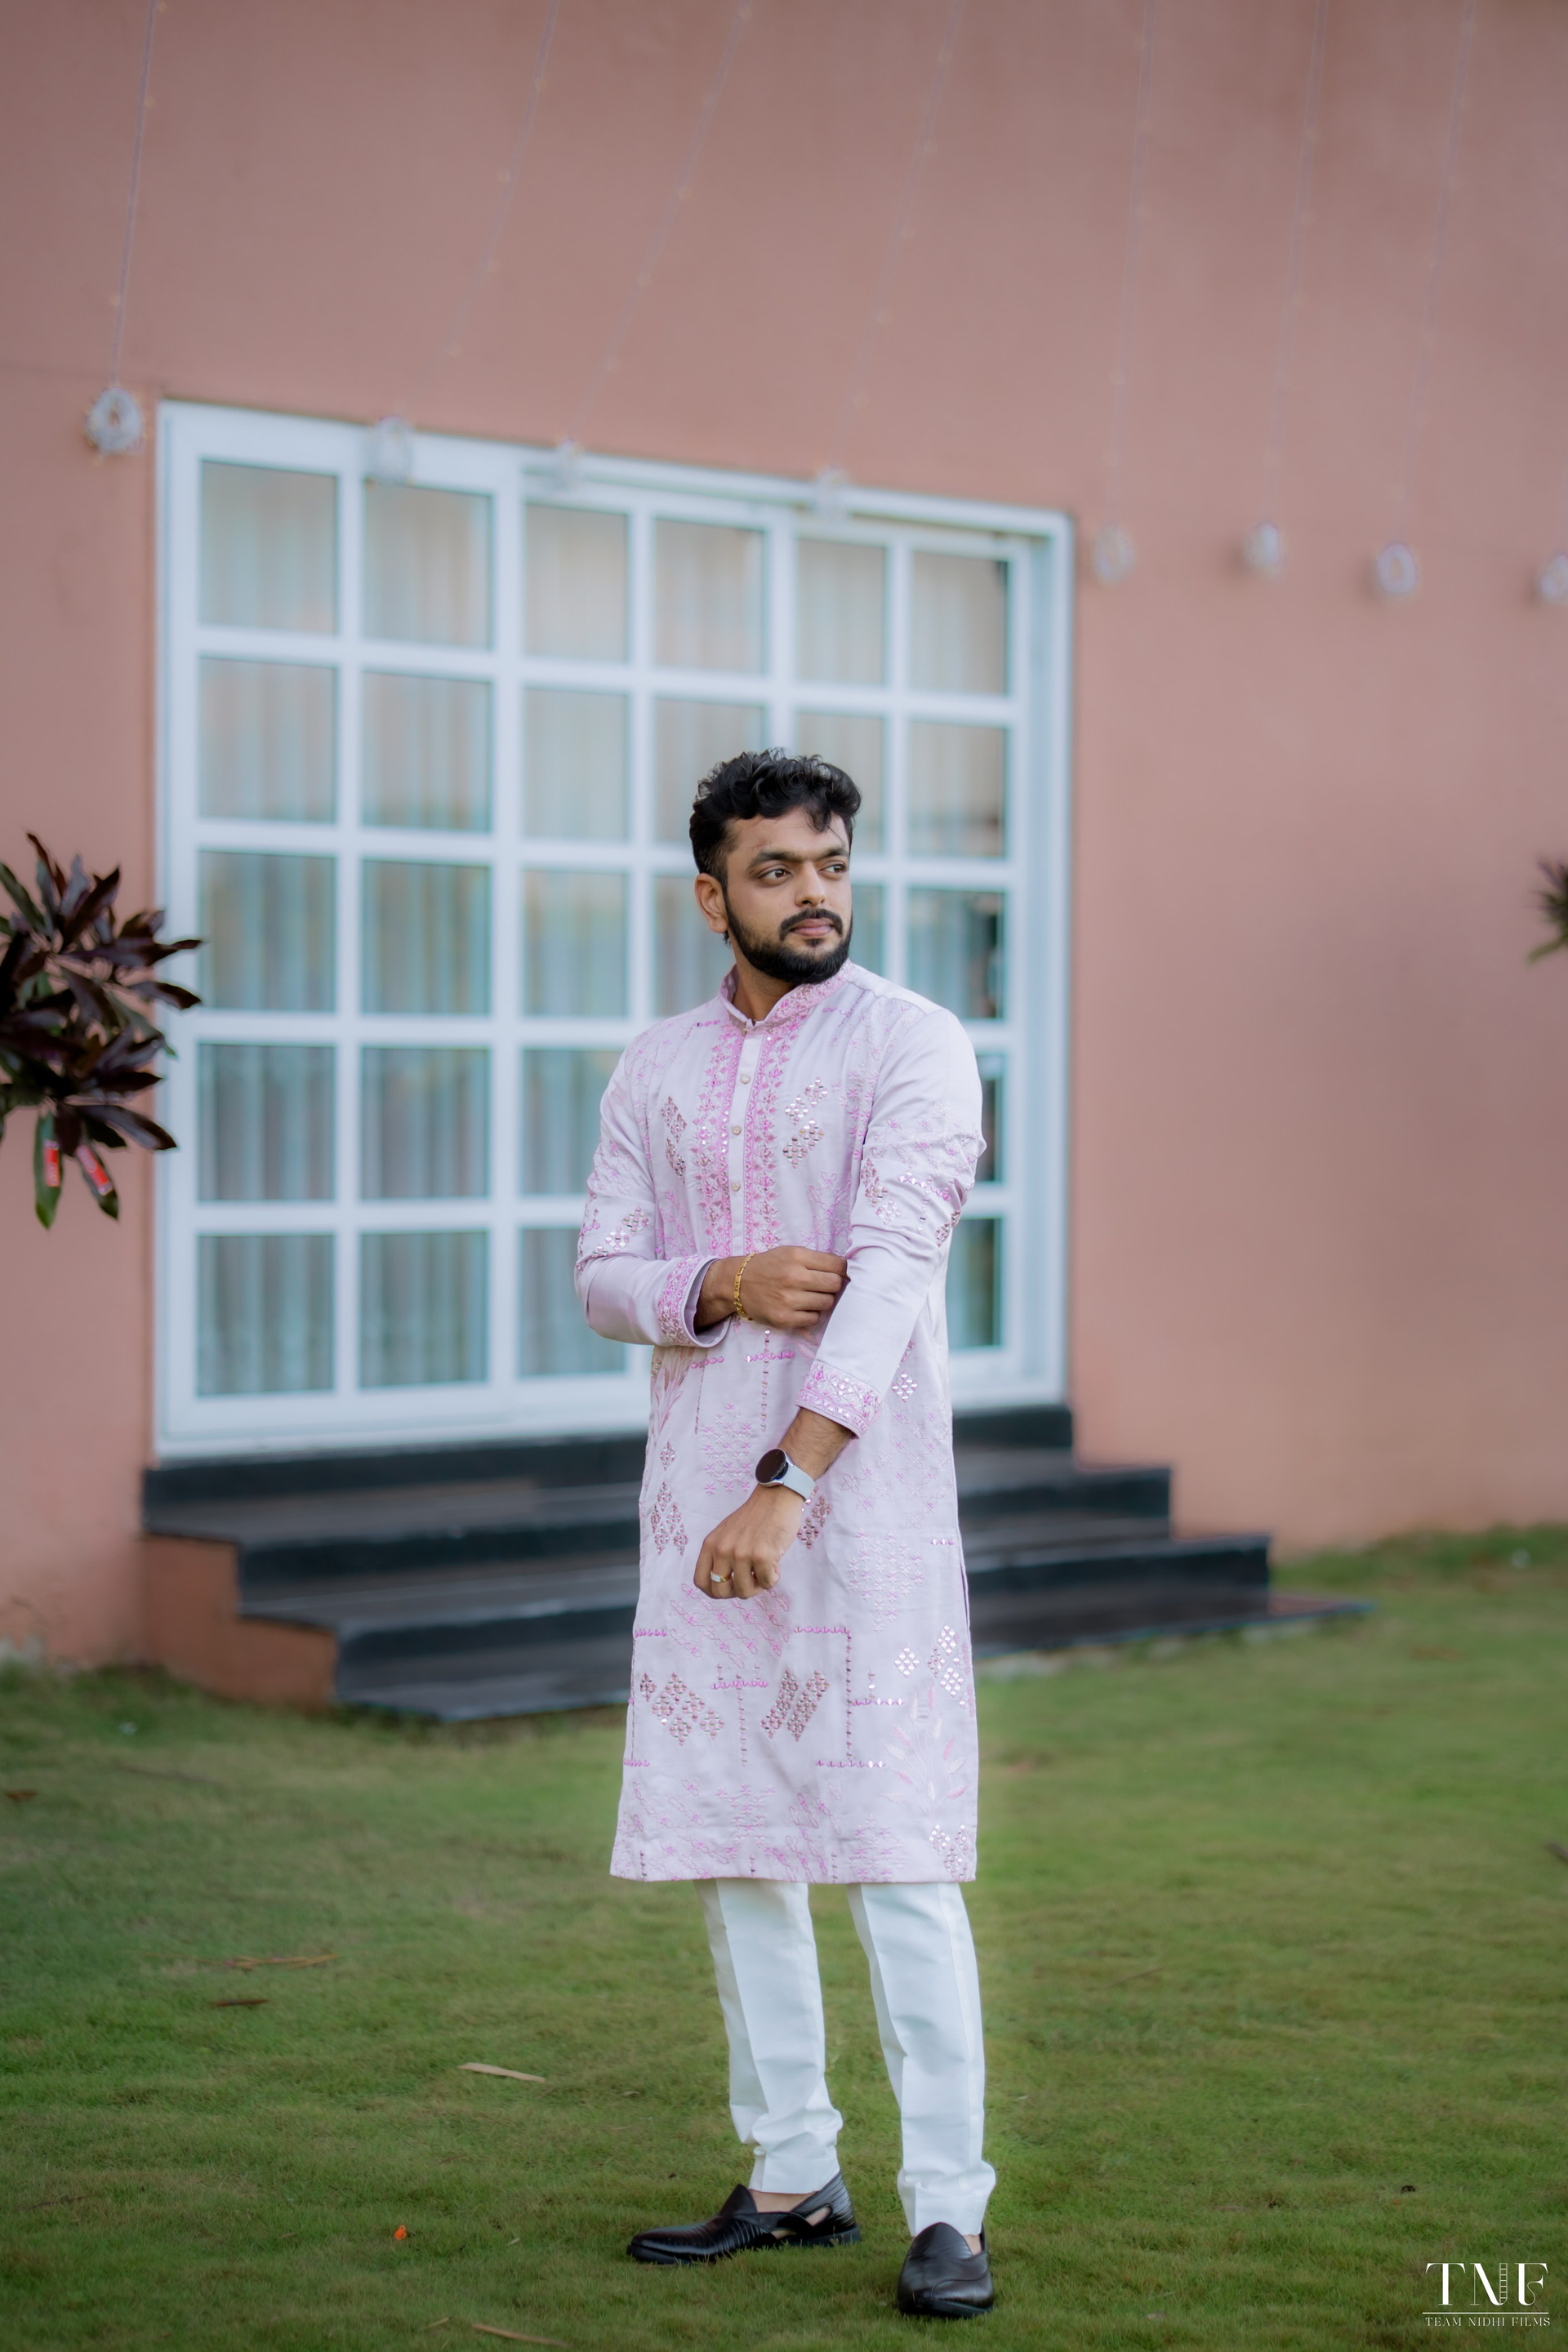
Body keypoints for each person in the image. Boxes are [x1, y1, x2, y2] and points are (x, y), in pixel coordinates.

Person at [574, 749, 995, 2321]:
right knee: (738, 1843)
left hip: (857, 1506)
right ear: (713, 897)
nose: (813, 894)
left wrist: (790, 1482)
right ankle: (790, 2169)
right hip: (699, 1505)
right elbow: (601, 1275)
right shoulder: (654, 1068)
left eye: (830, 865)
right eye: (775, 870)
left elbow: (889, 1279)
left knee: (896, 1853)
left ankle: (948, 2206)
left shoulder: (914, 1045)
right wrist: (722, 1281)